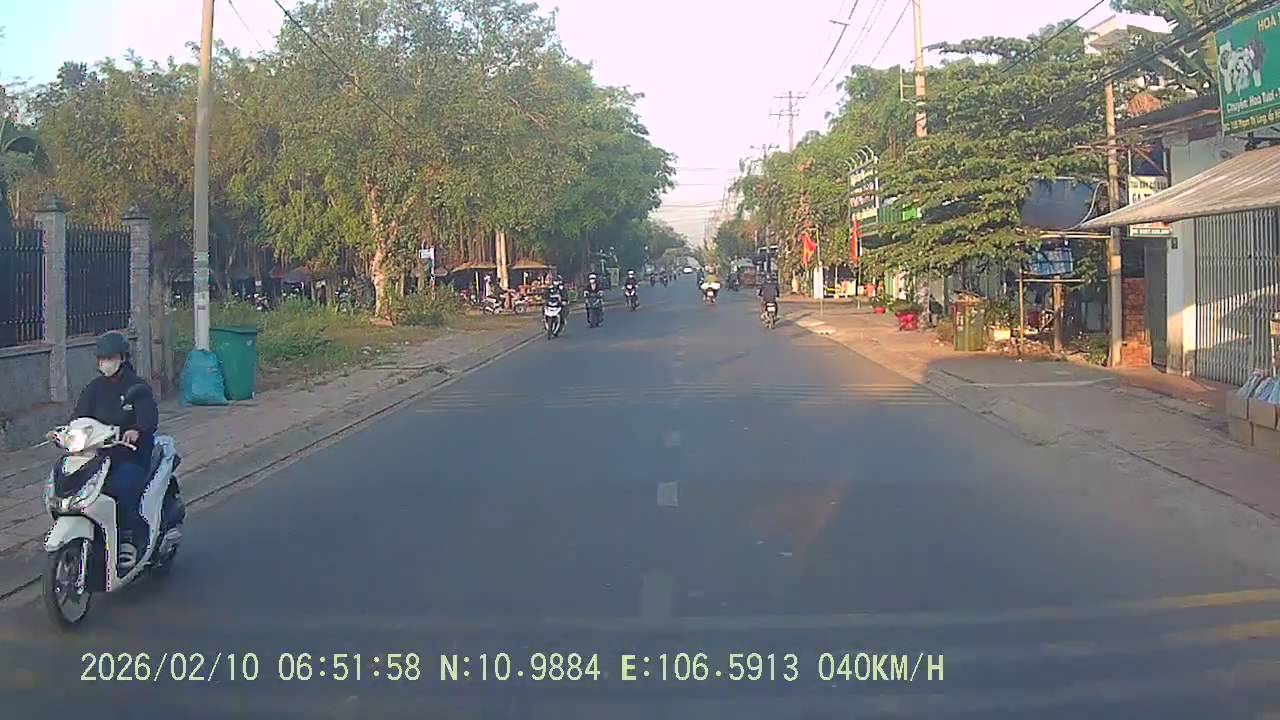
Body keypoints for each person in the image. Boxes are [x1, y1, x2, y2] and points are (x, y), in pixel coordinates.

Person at [70, 331, 159, 570]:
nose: (105, 363)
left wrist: (137, 429)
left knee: (124, 485)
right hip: (99, 455)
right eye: (102, 359)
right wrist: (68, 433)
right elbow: (79, 417)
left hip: (129, 454)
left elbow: (148, 417)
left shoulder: (137, 387)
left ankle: (129, 536)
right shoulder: (94, 388)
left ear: (122, 358)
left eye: (110, 358)